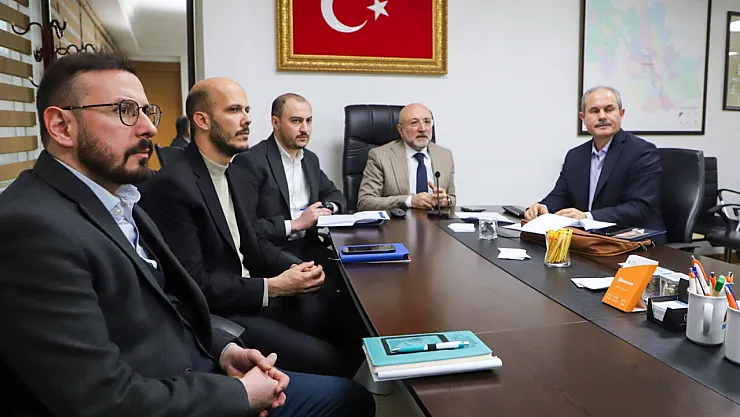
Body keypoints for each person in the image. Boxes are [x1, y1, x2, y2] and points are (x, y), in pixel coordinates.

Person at [0, 52, 374, 417]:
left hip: (200, 359)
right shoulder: (30, 228)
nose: (148, 128)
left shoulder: (122, 199)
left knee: (346, 322)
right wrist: (240, 395)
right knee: (348, 397)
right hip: (175, 388)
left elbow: (168, 300)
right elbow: (99, 397)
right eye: (125, 111)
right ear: (61, 126)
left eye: (146, 112)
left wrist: (224, 350)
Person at [140, 79, 364, 379]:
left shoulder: (232, 170)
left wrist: (296, 268)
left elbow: (253, 242)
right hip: (223, 313)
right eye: (234, 110)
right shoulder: (174, 184)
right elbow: (193, 284)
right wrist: (274, 286)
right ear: (202, 120)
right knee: (335, 360)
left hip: (253, 292)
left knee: (350, 315)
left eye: (246, 110)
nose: (247, 119)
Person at [524, 86, 665, 232]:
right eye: (595, 111)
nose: (602, 116)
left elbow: (640, 208)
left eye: (609, 109)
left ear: (621, 114)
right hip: (591, 237)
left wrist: (587, 217)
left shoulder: (642, 152)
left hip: (633, 237)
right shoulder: (575, 156)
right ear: (583, 118)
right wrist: (543, 207)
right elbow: (560, 195)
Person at [233, 93, 345, 259]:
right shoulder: (251, 161)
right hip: (272, 250)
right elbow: (246, 226)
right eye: (296, 121)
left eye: (308, 121)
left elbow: (335, 195)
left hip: (310, 246)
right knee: (324, 277)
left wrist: (326, 208)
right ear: (275, 123)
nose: (304, 129)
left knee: (354, 269)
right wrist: (296, 224)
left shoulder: (310, 159)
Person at [357, 103, 456, 211]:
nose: (422, 128)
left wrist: (446, 200)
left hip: (436, 221)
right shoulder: (380, 156)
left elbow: (452, 198)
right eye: (414, 123)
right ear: (401, 130)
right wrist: (409, 201)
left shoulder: (444, 155)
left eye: (427, 122)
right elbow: (365, 202)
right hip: (399, 221)